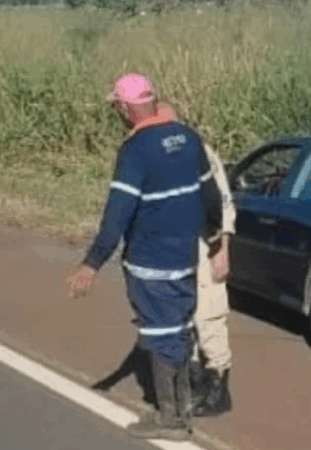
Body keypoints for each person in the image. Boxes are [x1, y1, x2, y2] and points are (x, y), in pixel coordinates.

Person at [65, 73, 222, 441]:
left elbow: (116, 216)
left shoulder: (136, 150)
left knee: (160, 333)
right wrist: (214, 238)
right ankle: (181, 409)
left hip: (150, 261)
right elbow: (211, 195)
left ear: (123, 107)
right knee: (180, 329)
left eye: (116, 108)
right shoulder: (188, 137)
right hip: (185, 257)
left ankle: (171, 419)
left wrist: (91, 263)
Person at [190, 143, 236, 417]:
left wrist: (222, 249)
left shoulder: (199, 152)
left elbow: (223, 203)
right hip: (172, 247)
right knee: (181, 318)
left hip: (206, 242)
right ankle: (194, 383)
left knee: (209, 315)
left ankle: (218, 388)